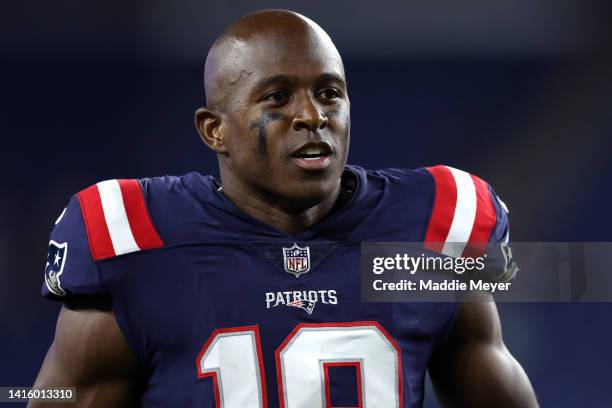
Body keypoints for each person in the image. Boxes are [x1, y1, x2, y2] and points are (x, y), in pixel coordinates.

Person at [32, 9, 538, 408]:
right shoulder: (133, 241)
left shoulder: (431, 228)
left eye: (329, 94)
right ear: (215, 130)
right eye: (277, 97)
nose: (312, 116)